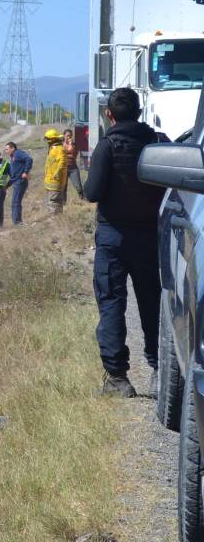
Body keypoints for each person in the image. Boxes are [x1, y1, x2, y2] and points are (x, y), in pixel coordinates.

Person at [83, 88, 166, 398]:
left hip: (113, 238)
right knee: (153, 303)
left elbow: (92, 193)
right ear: (140, 112)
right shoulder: (158, 143)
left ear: (109, 115)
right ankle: (161, 371)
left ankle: (118, 378)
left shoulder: (107, 147)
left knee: (112, 304)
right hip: (149, 237)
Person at [5, 141, 33, 225]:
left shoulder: (18, 153)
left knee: (16, 202)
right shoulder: (13, 156)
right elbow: (15, 173)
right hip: (16, 181)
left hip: (20, 182)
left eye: (7, 149)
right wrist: (8, 184)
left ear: (13, 148)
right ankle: (16, 221)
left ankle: (17, 222)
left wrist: (26, 172)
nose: (6, 151)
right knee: (15, 202)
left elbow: (29, 159)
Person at [43, 128, 68, 214]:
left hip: (56, 182)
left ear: (53, 139)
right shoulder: (53, 149)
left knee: (54, 203)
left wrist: (56, 174)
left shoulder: (60, 149)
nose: (47, 142)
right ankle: (55, 221)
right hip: (50, 182)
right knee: (50, 202)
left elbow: (62, 164)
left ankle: (55, 221)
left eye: (48, 139)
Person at [64, 128, 85, 200]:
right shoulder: (61, 145)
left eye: (70, 136)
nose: (69, 137)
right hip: (63, 168)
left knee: (78, 186)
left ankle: (82, 198)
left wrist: (71, 146)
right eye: (67, 136)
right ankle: (64, 202)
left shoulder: (74, 145)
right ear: (64, 136)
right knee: (63, 187)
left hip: (73, 168)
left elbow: (75, 155)